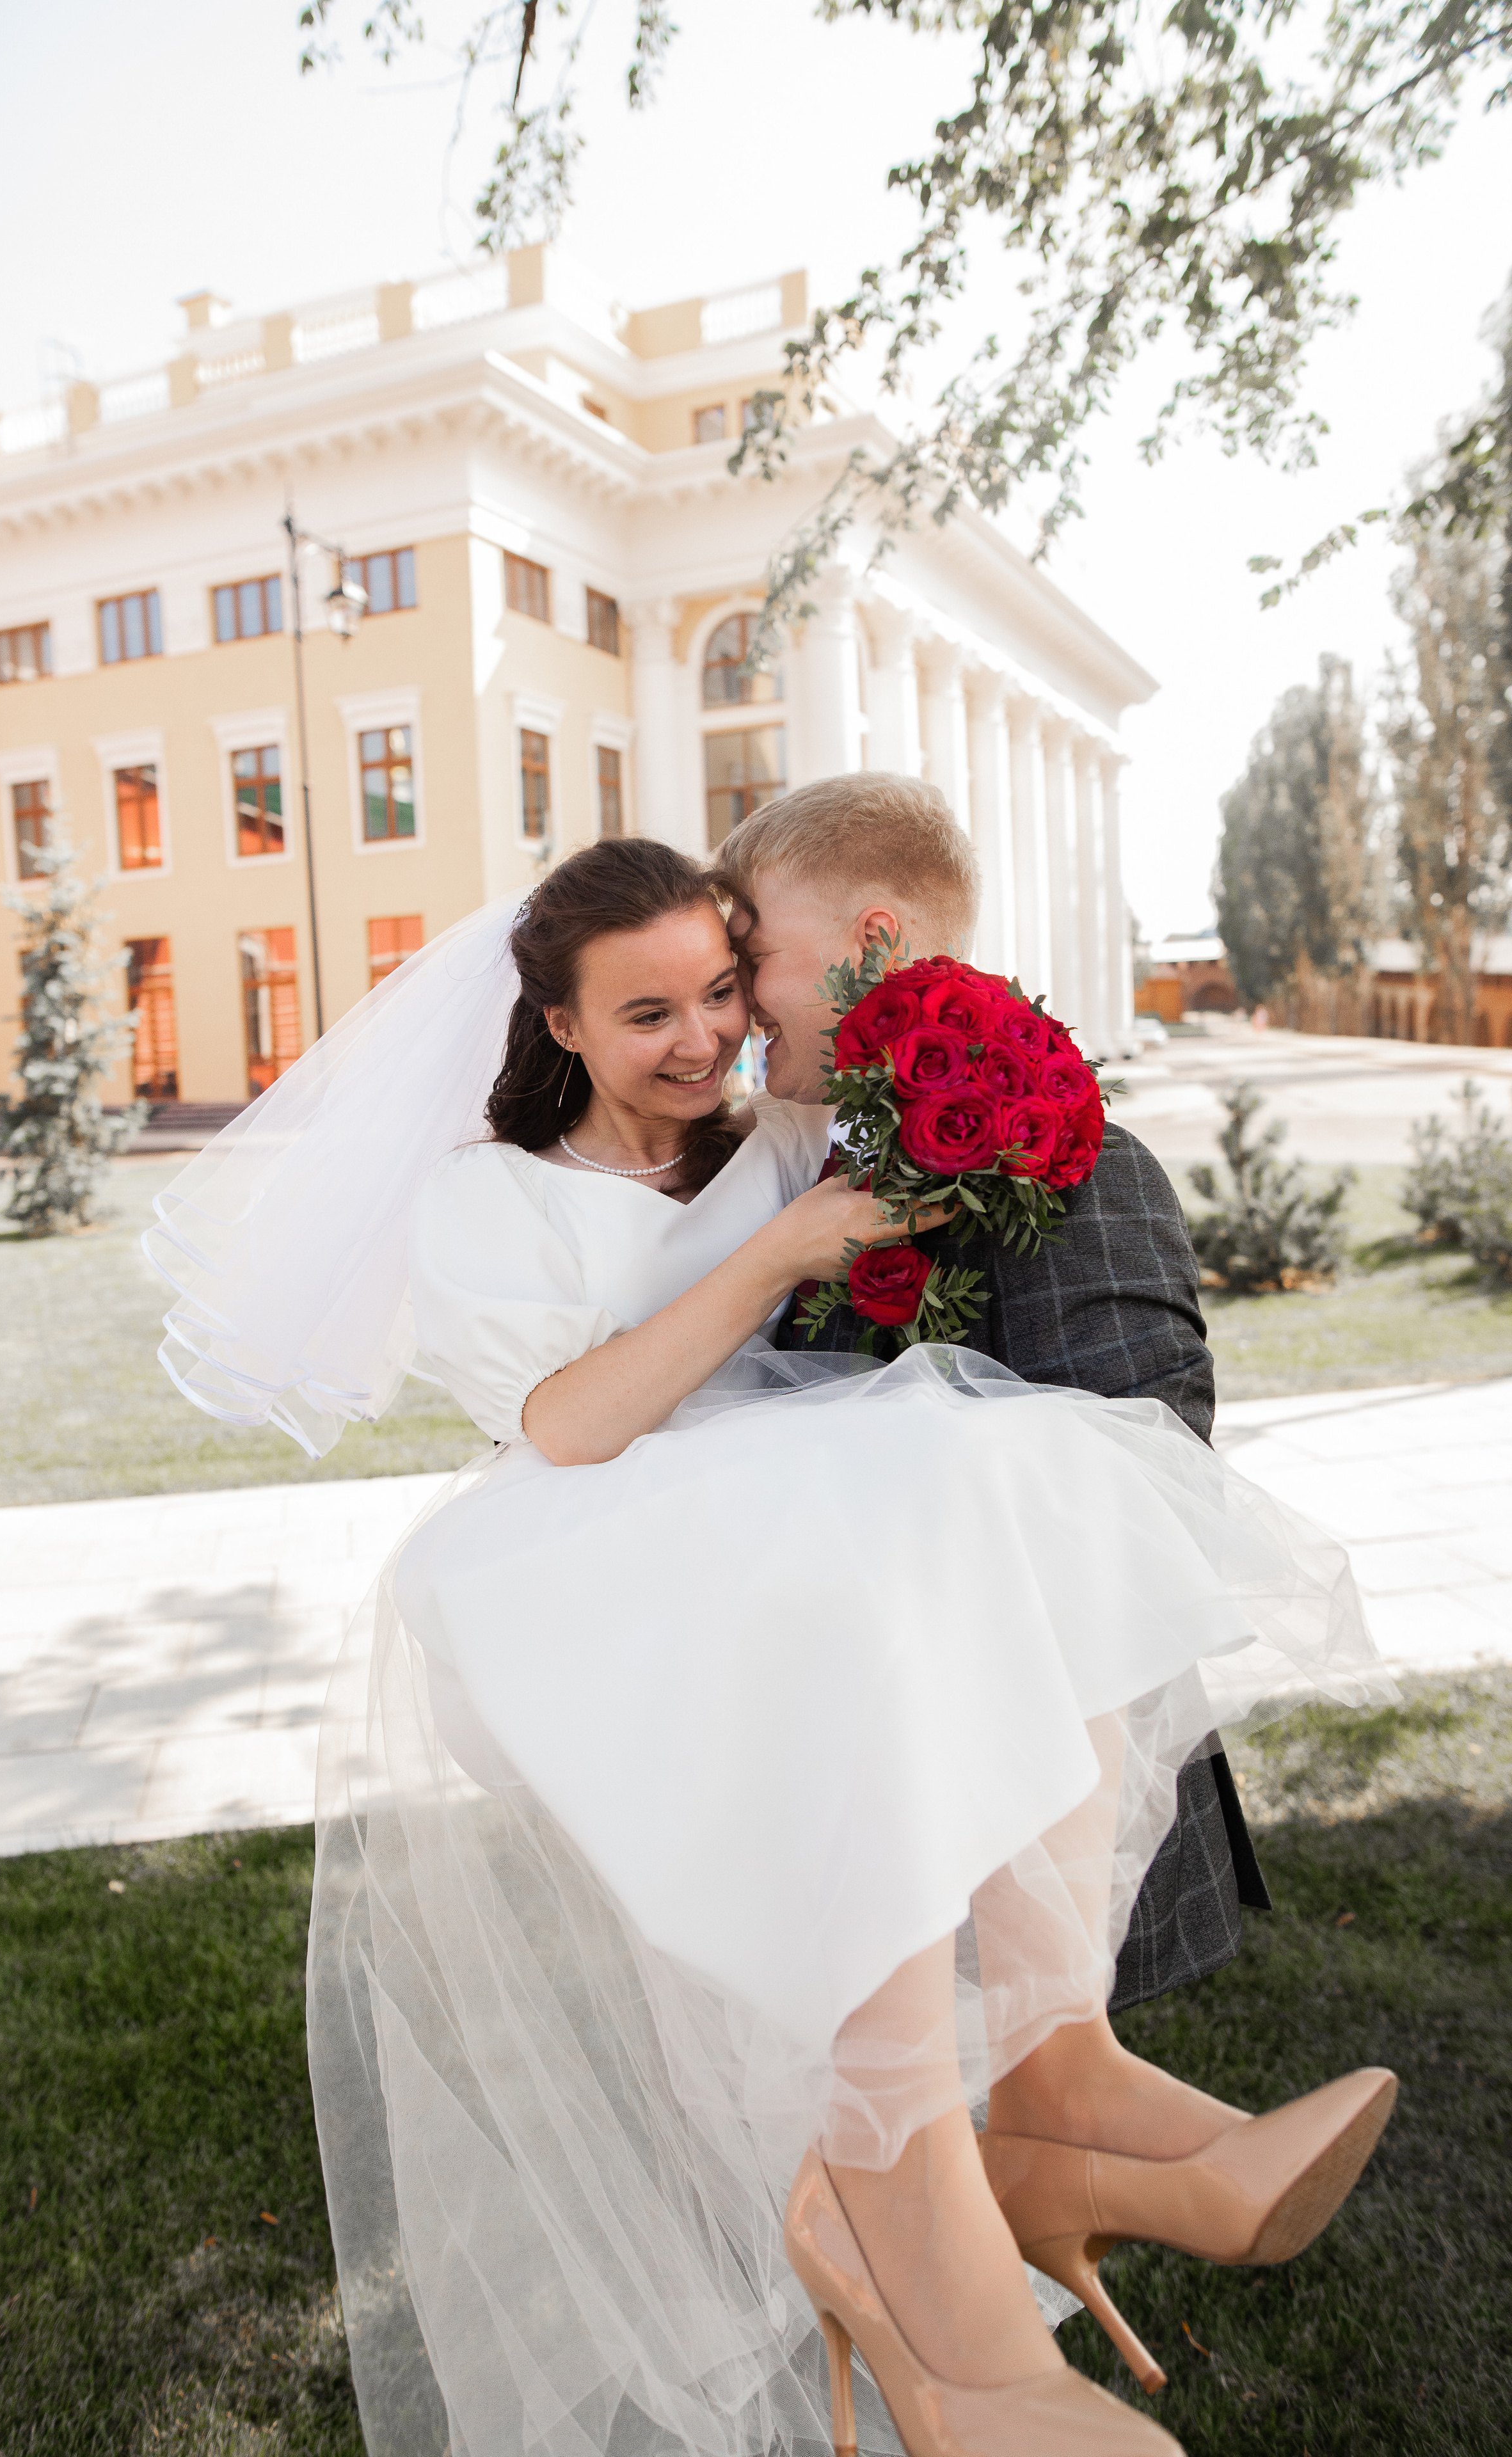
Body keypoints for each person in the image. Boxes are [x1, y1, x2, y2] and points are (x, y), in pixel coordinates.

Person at [145, 840, 1396, 2457]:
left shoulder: (776, 1138)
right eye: (646, 1011)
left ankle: (1056, 2061)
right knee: (846, 1676)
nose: (698, 1037)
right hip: (603, 1553)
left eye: (721, 991)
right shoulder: (489, 1201)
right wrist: (773, 1257)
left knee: (1029, 1478)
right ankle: (953, 2331)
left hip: (799, 1529)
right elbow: (568, 1427)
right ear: (560, 1025)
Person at [714, 773, 1268, 2012]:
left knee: (1041, 2175)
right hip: (865, 1799)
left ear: (870, 943)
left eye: (750, 957)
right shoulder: (799, 1178)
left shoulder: (1067, 1162)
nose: (733, 1002)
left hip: (1044, 1813)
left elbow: (1150, 1474)